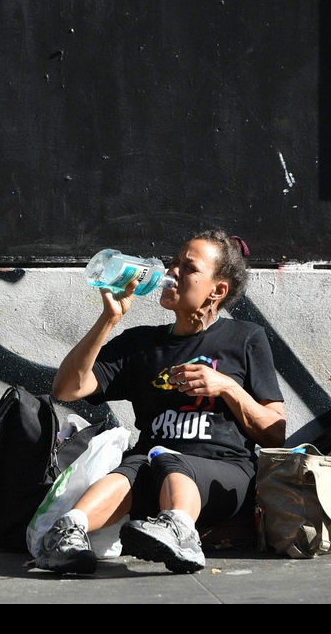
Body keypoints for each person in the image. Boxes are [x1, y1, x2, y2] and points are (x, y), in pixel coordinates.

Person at [34, 230, 286, 575]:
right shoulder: (141, 344)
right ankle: (67, 531)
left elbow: (275, 432)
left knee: (167, 459)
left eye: (189, 267)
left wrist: (227, 387)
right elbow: (66, 388)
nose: (173, 271)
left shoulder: (244, 338)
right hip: (151, 470)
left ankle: (180, 529)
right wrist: (109, 318)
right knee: (133, 468)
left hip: (225, 475)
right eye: (174, 262)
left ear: (217, 290)